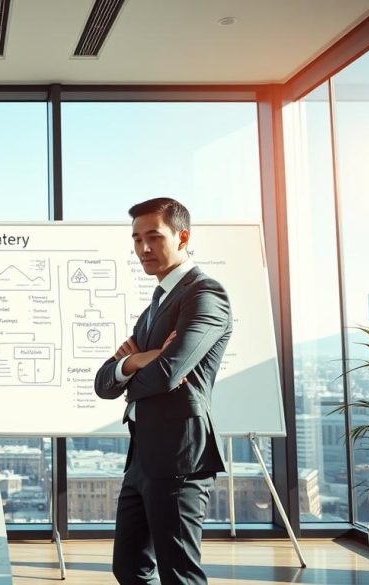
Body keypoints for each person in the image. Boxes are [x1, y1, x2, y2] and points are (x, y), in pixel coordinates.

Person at [93, 197, 232, 585]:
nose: (144, 249)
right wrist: (134, 361)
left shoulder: (205, 295)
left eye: (153, 237)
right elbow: (104, 382)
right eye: (136, 240)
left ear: (182, 236)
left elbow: (170, 373)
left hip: (180, 461)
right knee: (129, 568)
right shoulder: (156, 304)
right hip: (142, 460)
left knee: (180, 576)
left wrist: (144, 366)